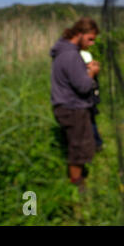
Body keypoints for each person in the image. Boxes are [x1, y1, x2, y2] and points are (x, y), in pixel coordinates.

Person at [50, 17, 100, 191]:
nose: (92, 43)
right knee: (78, 147)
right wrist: (92, 72)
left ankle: (77, 177)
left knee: (76, 143)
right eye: (90, 38)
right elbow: (83, 86)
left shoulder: (63, 51)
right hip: (73, 108)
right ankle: (77, 183)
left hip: (66, 105)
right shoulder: (71, 55)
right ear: (79, 34)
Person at [80, 50, 104, 151]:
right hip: (88, 101)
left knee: (91, 122)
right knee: (90, 122)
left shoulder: (90, 72)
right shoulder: (87, 71)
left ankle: (97, 143)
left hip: (90, 101)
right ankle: (96, 143)